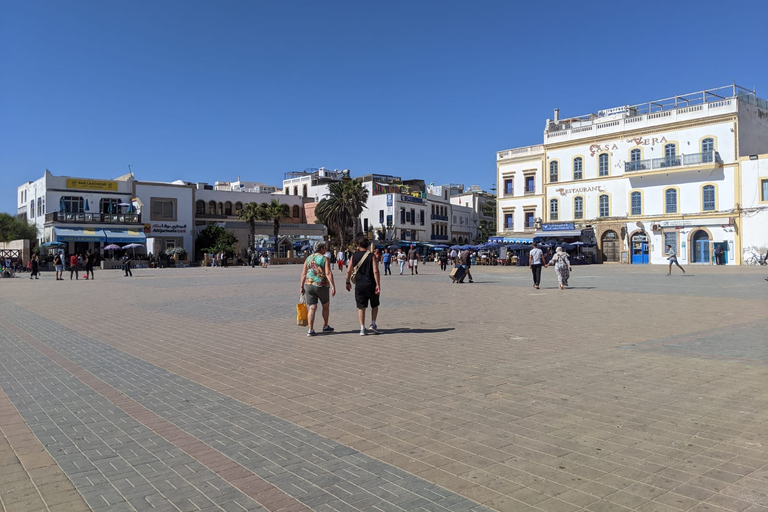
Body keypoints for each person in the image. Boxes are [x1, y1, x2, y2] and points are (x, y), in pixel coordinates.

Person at [346, 237, 381, 335]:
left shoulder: (354, 256)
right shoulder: (371, 256)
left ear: (358, 245)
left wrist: (347, 282)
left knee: (361, 306)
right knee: (374, 305)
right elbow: (375, 271)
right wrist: (378, 284)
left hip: (359, 285)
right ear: (368, 246)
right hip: (371, 284)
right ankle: (373, 324)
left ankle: (362, 328)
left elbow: (349, 270)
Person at [300, 241, 336, 336]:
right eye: (325, 248)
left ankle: (310, 330)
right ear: (321, 248)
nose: (326, 249)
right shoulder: (324, 259)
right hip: (321, 285)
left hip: (308, 285)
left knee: (312, 307)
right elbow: (328, 273)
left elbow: (303, 274)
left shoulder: (308, 258)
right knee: (325, 306)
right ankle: (325, 326)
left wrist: (301, 286)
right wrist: (333, 285)